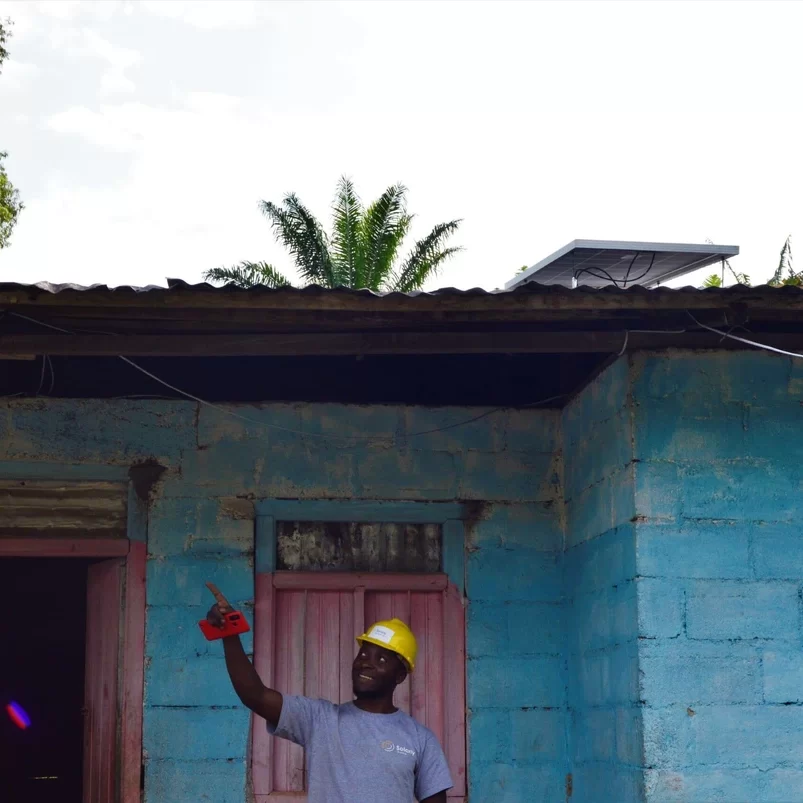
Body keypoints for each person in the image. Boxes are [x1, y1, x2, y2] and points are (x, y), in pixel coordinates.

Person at [207, 594, 453, 803]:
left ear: (400, 676)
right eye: (363, 654)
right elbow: (255, 695)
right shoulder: (320, 720)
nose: (366, 663)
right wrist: (229, 634)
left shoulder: (420, 739)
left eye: (381, 659)